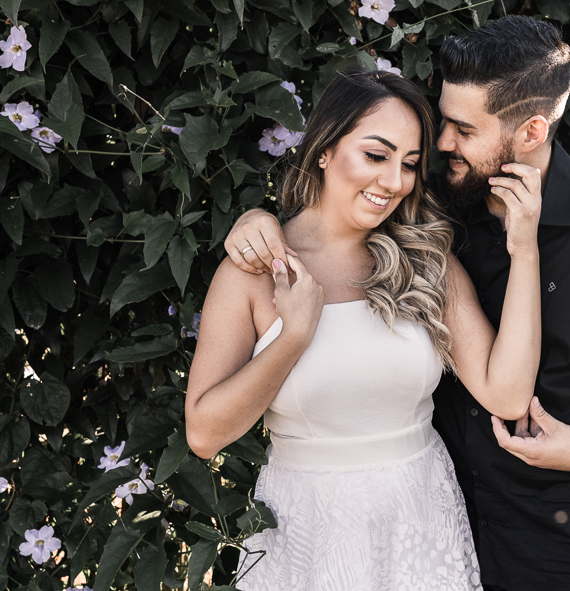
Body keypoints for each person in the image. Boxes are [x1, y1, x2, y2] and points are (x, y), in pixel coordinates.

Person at [223, 16, 570, 591]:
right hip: (434, 524)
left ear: (532, 131)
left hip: (564, 540)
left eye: (464, 129)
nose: (442, 144)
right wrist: (259, 221)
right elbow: (332, 221)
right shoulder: (425, 209)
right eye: (443, 122)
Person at [185, 68, 545, 590]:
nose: (394, 182)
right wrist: (293, 337)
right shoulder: (255, 270)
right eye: (377, 156)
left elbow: (507, 394)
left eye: (410, 164)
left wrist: (524, 249)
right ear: (325, 149)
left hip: (418, 519)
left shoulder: (424, 259)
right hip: (308, 529)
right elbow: (203, 435)